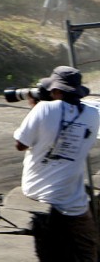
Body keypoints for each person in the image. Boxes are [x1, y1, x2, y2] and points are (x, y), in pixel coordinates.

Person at [13, 66, 100, 262]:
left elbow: (21, 145)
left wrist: (35, 108)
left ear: (57, 91)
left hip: (37, 191)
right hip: (73, 199)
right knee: (88, 249)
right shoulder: (92, 115)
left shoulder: (43, 109)